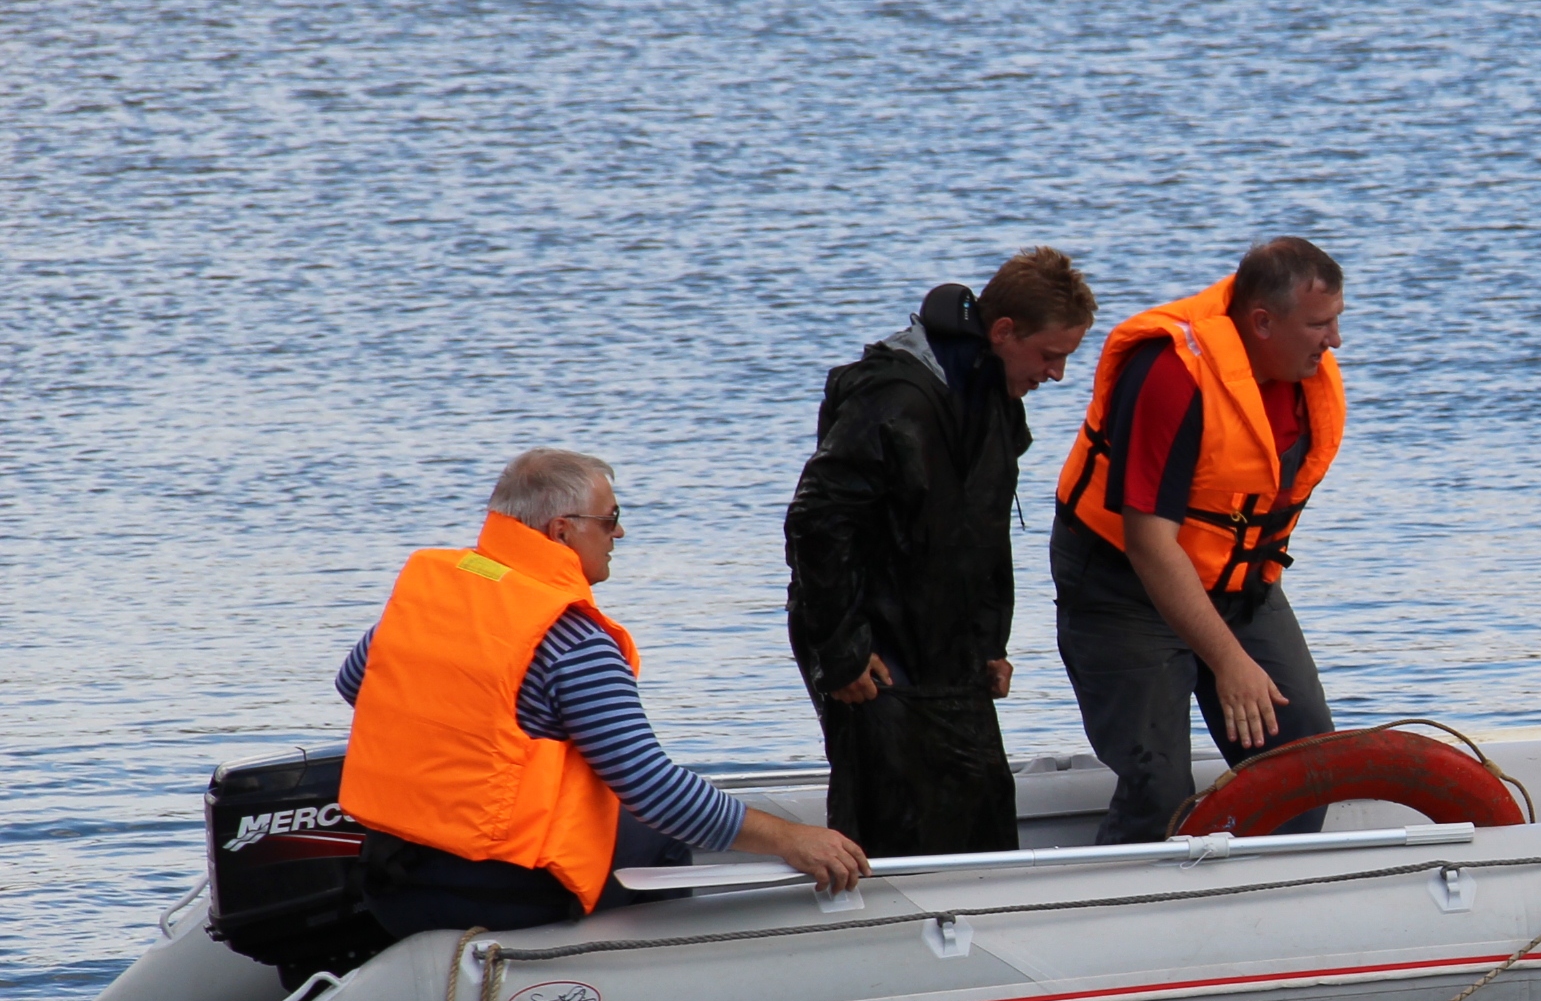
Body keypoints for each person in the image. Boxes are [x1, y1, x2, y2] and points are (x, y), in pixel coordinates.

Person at [337, 450, 866, 938]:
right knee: (654, 833)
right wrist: (792, 839)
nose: (620, 533)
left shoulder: (434, 595)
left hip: (394, 872)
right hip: (503, 893)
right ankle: (634, 976)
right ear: (562, 531)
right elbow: (655, 790)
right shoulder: (574, 641)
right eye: (610, 520)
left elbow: (354, 682)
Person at [785, 252, 1097, 857]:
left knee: (981, 806)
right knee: (891, 815)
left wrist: (990, 642)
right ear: (1003, 332)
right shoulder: (893, 396)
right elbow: (817, 523)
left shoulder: (991, 392)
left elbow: (983, 532)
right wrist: (841, 650)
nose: (1056, 374)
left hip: (947, 639)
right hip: (869, 638)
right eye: (1050, 356)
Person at [1050, 236, 1347, 845]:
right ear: (1262, 322)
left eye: (1337, 321)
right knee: (1158, 790)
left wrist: (1239, 648)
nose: (1335, 341)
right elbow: (1149, 543)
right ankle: (1120, 920)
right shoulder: (1170, 375)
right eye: (1320, 324)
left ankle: (1263, 907)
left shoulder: (1301, 367)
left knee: (1308, 761)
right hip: (1125, 588)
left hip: (1239, 587)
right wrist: (1229, 662)